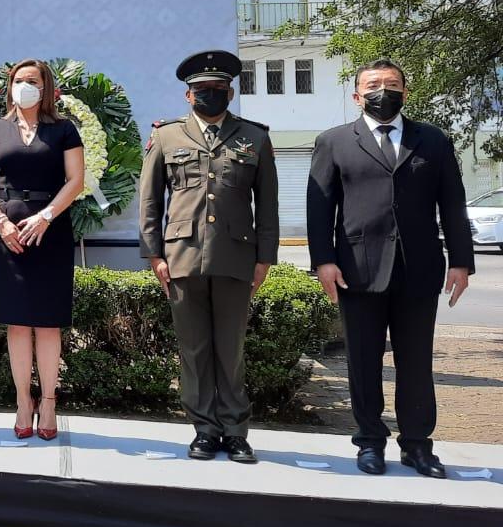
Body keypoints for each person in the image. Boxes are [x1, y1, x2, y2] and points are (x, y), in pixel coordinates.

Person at [307, 59, 473, 478]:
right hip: (356, 270)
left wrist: (462, 261)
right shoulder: (334, 142)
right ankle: (369, 443)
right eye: (374, 84)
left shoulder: (432, 141)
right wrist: (323, 261)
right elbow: (319, 207)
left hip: (419, 270)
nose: (384, 90)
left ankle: (417, 445)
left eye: (392, 84)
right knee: (363, 361)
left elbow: (452, 203)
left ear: (405, 91)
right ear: (356, 95)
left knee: (415, 362)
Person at [139, 51, 279, 463]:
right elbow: (149, 201)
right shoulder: (167, 136)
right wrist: (154, 254)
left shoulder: (255, 137)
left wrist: (264, 257)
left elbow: (268, 205)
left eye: (218, 90)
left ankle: (236, 432)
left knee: (230, 348)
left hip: (236, 257)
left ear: (231, 92)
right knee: (194, 349)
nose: (210, 96)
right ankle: (204, 430)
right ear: (188, 95)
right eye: (202, 91)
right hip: (181, 257)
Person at [0, 59, 85, 440]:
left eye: (32, 81)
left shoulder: (64, 129)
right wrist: (1, 222)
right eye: (19, 81)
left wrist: (46, 216)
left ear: (46, 87)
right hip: (7, 233)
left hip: (49, 232)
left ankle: (49, 402)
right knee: (17, 322)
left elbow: (76, 180)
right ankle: (23, 401)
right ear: (10, 87)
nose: (25, 86)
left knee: (48, 323)